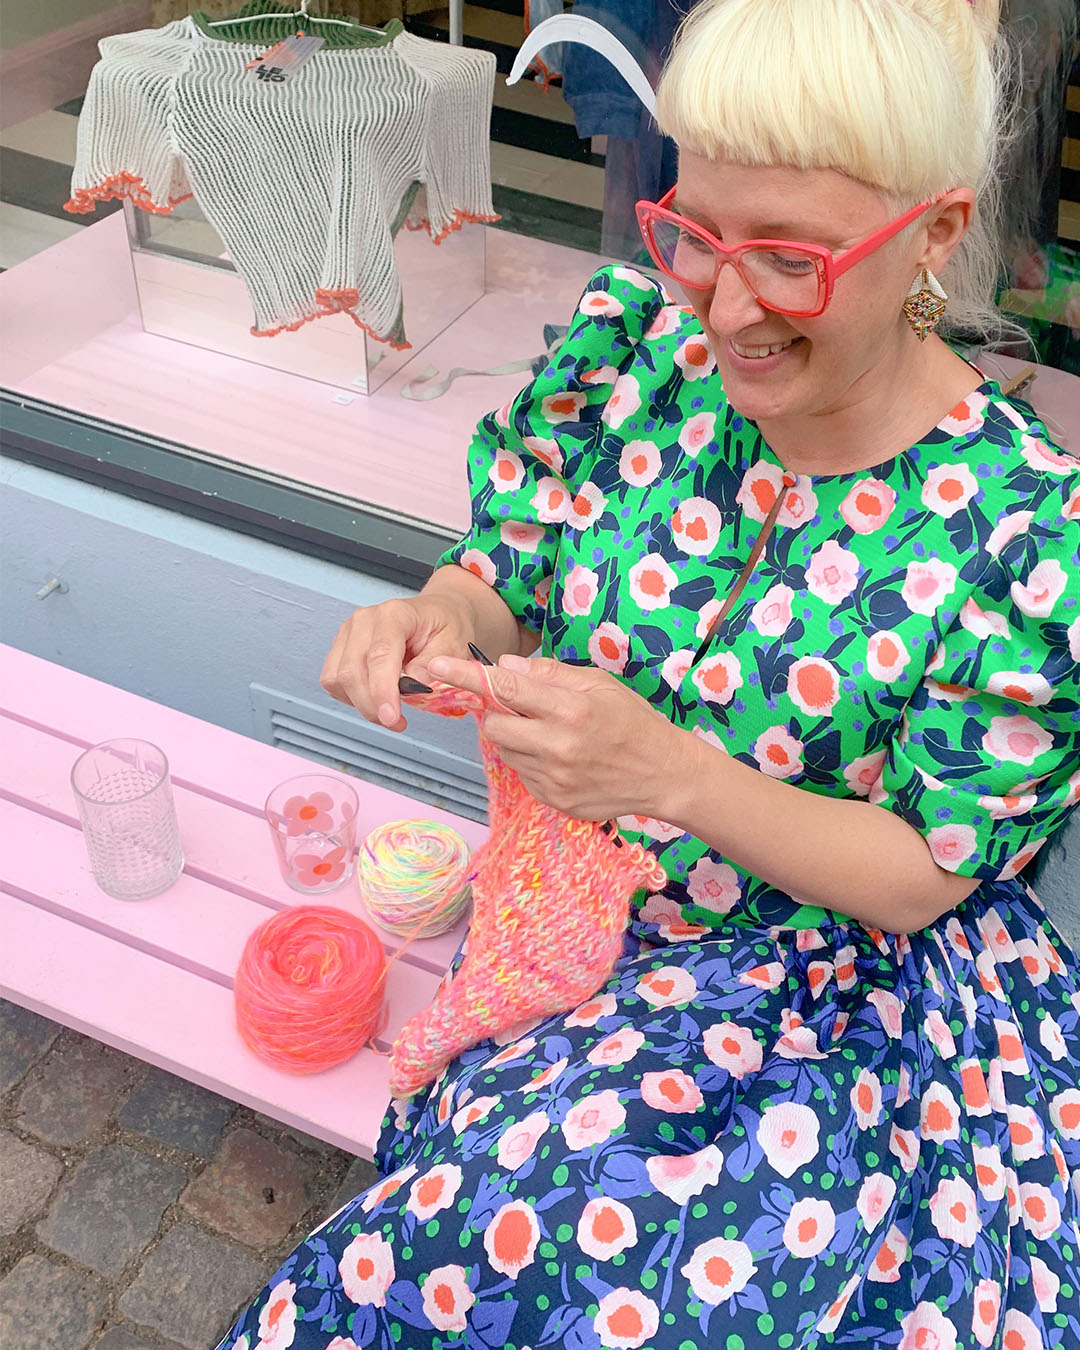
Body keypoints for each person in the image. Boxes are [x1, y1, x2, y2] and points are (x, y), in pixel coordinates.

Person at [218, 1, 1080, 1346]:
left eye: (788, 258)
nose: (727, 307)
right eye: (697, 232)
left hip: (820, 985)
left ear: (937, 233)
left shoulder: (1019, 531)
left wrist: (676, 775)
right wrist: (439, 617)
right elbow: (508, 568)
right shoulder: (641, 352)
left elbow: (925, 872)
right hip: (582, 913)